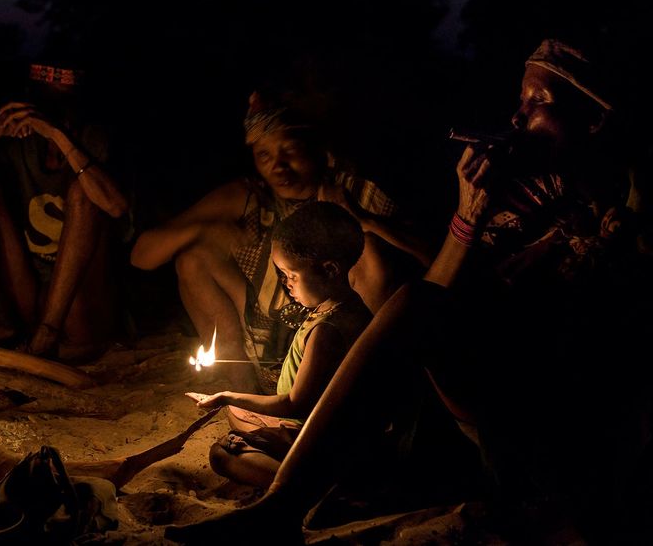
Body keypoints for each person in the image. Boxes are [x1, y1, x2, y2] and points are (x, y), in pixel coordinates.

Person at [166, 39, 653, 544]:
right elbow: (445, 292)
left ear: (593, 120)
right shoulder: (524, 186)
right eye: (521, 97)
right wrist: (468, 215)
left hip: (559, 402)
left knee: (413, 306)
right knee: (415, 306)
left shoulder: (628, 197)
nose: (518, 114)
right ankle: (292, 499)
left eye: (539, 102)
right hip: (489, 383)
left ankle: (303, 498)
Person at [131, 91, 431, 393]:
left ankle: (381, 383)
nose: (279, 167)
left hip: (345, 341)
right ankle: (244, 391)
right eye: (265, 156)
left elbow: (434, 264)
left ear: (318, 151)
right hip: (268, 342)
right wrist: (201, 230)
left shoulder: (353, 191)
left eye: (291, 152)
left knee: (371, 251)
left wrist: (365, 221)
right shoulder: (250, 196)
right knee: (192, 258)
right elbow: (141, 256)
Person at [0, 62, 129, 355]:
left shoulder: (94, 138)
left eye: (65, 100)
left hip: (85, 305)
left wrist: (58, 136)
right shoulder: (20, 142)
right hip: (30, 297)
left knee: (85, 191)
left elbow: (116, 208)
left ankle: (47, 335)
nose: (57, 109)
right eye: (47, 100)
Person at [186, 201, 372, 488]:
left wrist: (228, 395)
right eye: (282, 275)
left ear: (330, 269)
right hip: (318, 428)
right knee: (236, 415)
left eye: (292, 275)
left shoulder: (326, 331)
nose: (286, 284)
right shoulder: (345, 308)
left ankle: (311, 487)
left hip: (319, 437)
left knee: (222, 453)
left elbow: (295, 404)